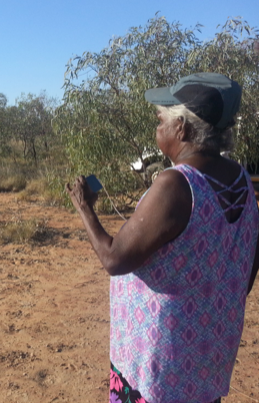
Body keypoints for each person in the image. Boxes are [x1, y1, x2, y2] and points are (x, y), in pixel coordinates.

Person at [66, 73, 259, 403]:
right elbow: (244, 272)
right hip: (206, 364)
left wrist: (85, 208)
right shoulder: (243, 181)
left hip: (158, 371)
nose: (157, 128)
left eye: (160, 120)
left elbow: (115, 258)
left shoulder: (175, 185)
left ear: (181, 127)